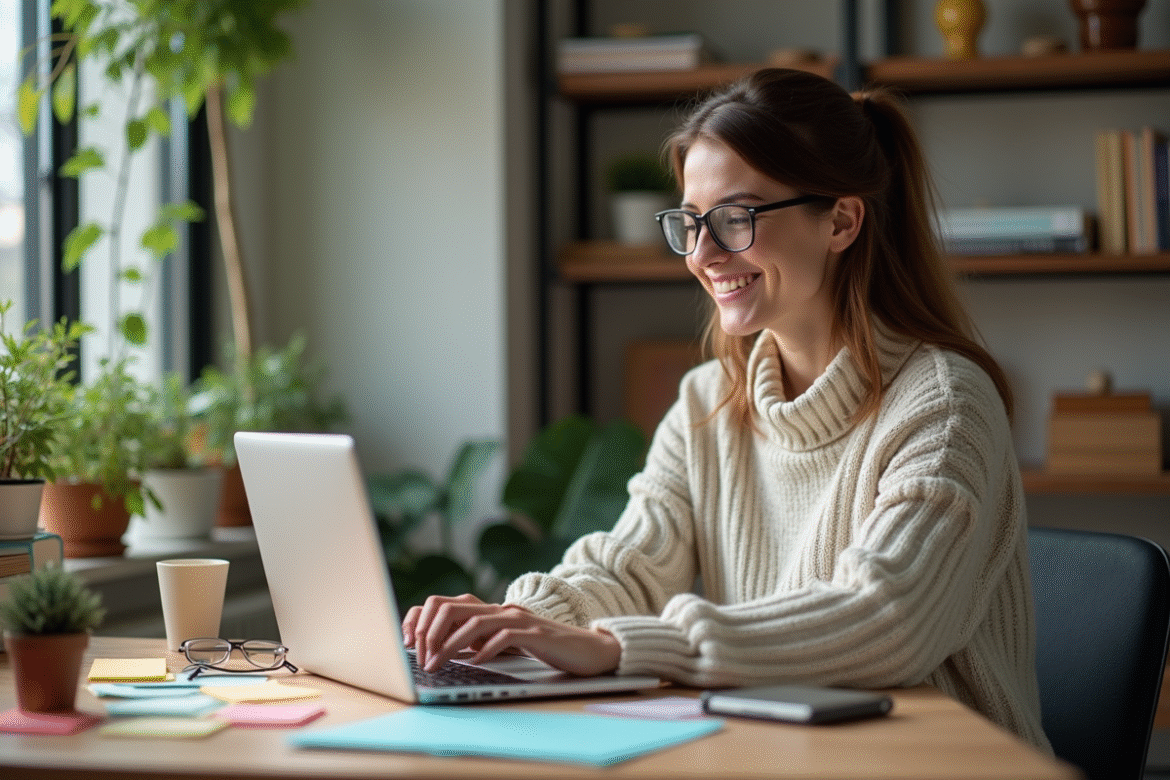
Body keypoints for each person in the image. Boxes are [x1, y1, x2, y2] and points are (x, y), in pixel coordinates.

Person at [403, 67, 1050, 752]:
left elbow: (887, 618)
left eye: (735, 219)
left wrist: (614, 645)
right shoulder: (708, 400)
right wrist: (516, 620)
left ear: (841, 220)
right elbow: (630, 566)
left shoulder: (944, 405)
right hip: (784, 755)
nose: (703, 255)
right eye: (689, 223)